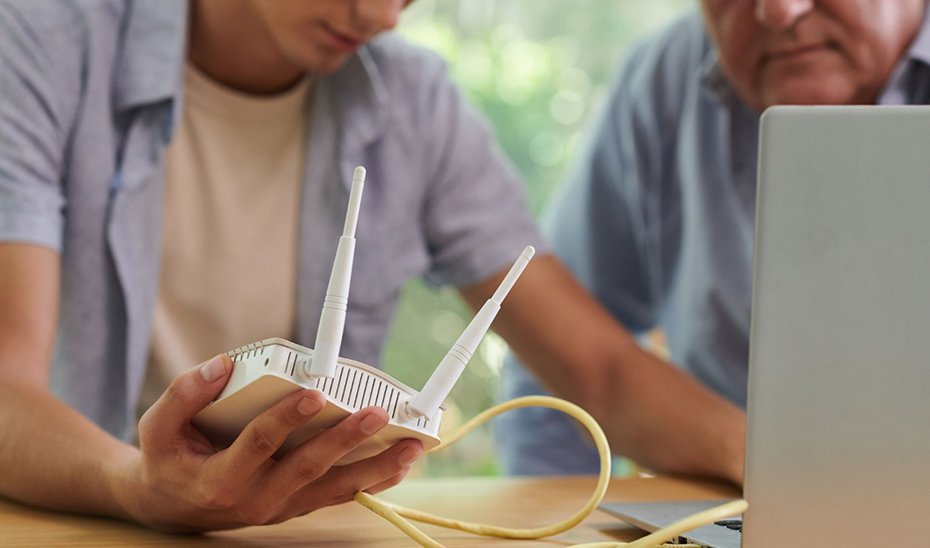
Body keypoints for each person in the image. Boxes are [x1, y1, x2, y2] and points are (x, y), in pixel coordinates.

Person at [0, 0, 746, 533]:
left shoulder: (413, 103)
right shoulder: (42, 43)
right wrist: (137, 486)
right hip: (79, 525)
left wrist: (771, 458)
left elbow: (600, 370)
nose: (384, 15)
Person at [497, 0, 930, 475]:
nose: (779, 12)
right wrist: (565, 514)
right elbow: (553, 362)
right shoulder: (662, 85)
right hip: (734, 505)